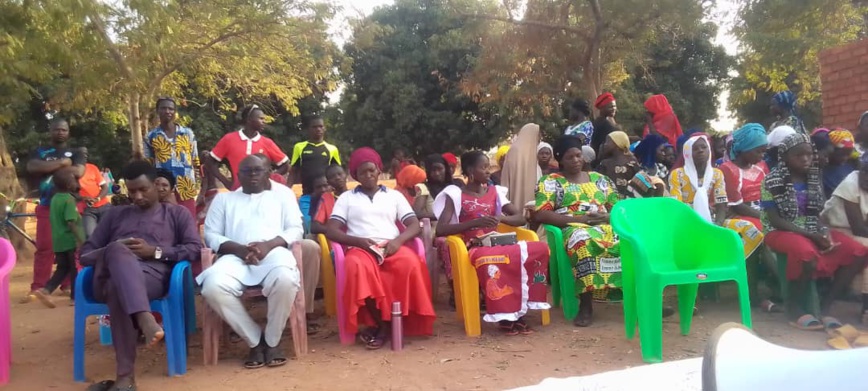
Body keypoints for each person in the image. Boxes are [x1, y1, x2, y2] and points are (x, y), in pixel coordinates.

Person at [80, 160, 202, 391]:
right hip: (105, 278)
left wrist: (154, 251)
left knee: (119, 290)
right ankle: (145, 318)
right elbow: (85, 255)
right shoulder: (115, 215)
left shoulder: (176, 214)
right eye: (131, 190)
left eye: (142, 190)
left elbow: (194, 249)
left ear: (156, 186)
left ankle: (125, 379)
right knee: (117, 249)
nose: (136, 196)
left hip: (151, 277)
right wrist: (112, 250)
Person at [324, 147, 436, 349]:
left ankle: (397, 322)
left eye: (372, 170)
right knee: (355, 267)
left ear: (379, 170)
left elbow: (412, 224)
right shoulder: (347, 199)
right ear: (354, 175)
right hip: (361, 248)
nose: (368, 175)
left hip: (391, 246)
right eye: (362, 172)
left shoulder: (394, 196)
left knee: (410, 264)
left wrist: (398, 241)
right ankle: (384, 325)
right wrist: (358, 241)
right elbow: (331, 230)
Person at [200, 155, 305, 369]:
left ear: (268, 172)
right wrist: (239, 249)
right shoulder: (224, 199)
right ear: (238, 175)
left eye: (258, 170)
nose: (253, 175)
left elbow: (296, 229)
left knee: (286, 279)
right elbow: (211, 234)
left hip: (274, 253)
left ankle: (273, 341)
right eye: (247, 171)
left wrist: (268, 245)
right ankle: (255, 339)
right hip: (235, 257)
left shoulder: (283, 195)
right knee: (211, 286)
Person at [433, 151, 550, 335]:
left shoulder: (495, 192)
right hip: (474, 246)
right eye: (484, 167)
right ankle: (505, 315)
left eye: (489, 167)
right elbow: (441, 229)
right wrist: (474, 223)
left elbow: (520, 218)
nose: (488, 171)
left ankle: (520, 310)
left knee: (539, 248)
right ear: (471, 170)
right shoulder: (456, 195)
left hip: (498, 241)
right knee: (495, 258)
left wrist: (500, 218)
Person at [761, 133, 867, 330]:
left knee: (857, 251)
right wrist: (811, 235)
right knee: (806, 253)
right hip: (779, 230)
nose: (805, 159)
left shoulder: (813, 177)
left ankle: (825, 307)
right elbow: (775, 219)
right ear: (784, 157)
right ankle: (795, 310)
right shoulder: (772, 181)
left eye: (809, 154)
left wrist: (824, 233)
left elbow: (817, 214)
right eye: (798, 155)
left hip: (811, 227)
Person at [534, 136, 620, 327]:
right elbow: (541, 214)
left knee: (631, 240)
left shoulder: (601, 180)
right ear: (560, 160)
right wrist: (578, 220)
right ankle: (586, 304)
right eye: (569, 157)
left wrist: (606, 217)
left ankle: (638, 298)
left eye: (578, 155)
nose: (575, 160)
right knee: (583, 240)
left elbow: (618, 209)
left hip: (605, 224)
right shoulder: (551, 181)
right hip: (572, 227)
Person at [719, 124, 782, 311]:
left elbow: (771, 194)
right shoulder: (727, 169)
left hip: (762, 213)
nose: (761, 156)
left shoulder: (761, 167)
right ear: (744, 148)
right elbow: (737, 205)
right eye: (758, 151)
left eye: (763, 151)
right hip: (738, 216)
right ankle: (759, 294)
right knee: (758, 233)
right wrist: (767, 217)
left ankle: (781, 287)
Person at [23, 117, 85, 302]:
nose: (60, 132)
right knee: (45, 247)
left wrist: (50, 167)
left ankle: (67, 285)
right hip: (45, 205)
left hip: (70, 203)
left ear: (68, 132)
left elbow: (79, 172)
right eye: (57, 129)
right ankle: (38, 287)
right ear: (50, 131)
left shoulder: (76, 152)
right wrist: (63, 164)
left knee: (71, 247)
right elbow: (32, 167)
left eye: (64, 130)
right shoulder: (40, 151)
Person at [820, 154, 868, 323]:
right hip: (834, 228)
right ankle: (828, 302)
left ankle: (865, 308)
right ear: (861, 170)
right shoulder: (851, 183)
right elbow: (859, 227)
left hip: (860, 231)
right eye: (866, 173)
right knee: (864, 249)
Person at [32, 168, 84, 308]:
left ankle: (46, 289)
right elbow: (71, 222)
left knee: (62, 268)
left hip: (58, 241)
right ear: (68, 185)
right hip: (70, 241)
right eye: (74, 179)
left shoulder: (54, 199)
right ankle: (75, 297)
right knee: (74, 269)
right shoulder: (68, 200)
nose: (76, 181)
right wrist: (81, 240)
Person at [207, 105, 289, 191]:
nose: (264, 121)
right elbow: (210, 162)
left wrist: (269, 177)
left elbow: (285, 164)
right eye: (260, 119)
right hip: (238, 192)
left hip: (261, 194)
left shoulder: (267, 142)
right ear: (249, 120)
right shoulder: (229, 139)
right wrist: (226, 182)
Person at [143, 97, 200, 218]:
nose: (168, 111)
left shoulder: (188, 133)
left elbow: (195, 159)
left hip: (186, 187)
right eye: (164, 108)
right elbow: (149, 163)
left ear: (175, 112)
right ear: (158, 111)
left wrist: (201, 184)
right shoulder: (151, 136)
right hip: (163, 189)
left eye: (171, 109)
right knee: (166, 223)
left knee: (188, 222)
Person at [290, 114, 341, 195]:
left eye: (321, 126)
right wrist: (286, 189)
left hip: (326, 195)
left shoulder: (332, 149)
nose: (318, 129)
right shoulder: (299, 147)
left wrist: (339, 191)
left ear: (325, 128)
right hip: (307, 194)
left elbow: (338, 173)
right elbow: (293, 171)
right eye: (314, 127)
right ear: (308, 129)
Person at [502, 124, 543, 213]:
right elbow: (512, 178)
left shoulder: (532, 153)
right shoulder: (515, 151)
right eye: (538, 134)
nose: (540, 138)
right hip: (517, 194)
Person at [77, 147, 111, 238]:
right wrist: (83, 198)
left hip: (104, 206)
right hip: (87, 209)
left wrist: (98, 198)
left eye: (85, 155)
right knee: (90, 235)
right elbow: (70, 193)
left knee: (109, 233)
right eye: (80, 155)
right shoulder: (72, 172)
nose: (84, 157)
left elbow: (104, 187)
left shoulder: (92, 168)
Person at [597, 131, 640, 197]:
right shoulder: (633, 161)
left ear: (617, 144)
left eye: (607, 141)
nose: (605, 144)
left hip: (612, 203)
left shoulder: (606, 164)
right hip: (629, 203)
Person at [823, 128, 857, 198]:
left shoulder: (852, 166)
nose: (845, 158)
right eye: (841, 154)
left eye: (848, 154)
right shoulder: (822, 169)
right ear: (830, 149)